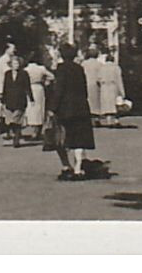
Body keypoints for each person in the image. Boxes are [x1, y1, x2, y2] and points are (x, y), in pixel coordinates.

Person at [52, 43, 95, 180]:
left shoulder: (61, 69)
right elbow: (84, 89)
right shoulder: (79, 68)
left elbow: (58, 90)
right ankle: (78, 168)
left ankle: (66, 166)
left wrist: (53, 108)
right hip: (81, 107)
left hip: (65, 109)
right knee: (79, 139)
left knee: (61, 138)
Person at [0, 53, 30, 146]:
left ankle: (16, 140)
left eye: (17, 63)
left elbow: (27, 87)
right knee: (10, 120)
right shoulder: (7, 74)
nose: (16, 65)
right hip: (9, 99)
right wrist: (3, 100)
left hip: (20, 99)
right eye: (14, 63)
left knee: (16, 120)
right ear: (11, 64)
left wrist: (31, 99)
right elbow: (5, 87)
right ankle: (14, 135)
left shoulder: (24, 74)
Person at [22, 53, 53, 142]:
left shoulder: (26, 69)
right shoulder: (41, 68)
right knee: (39, 109)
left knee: (30, 109)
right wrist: (45, 81)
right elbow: (52, 76)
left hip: (29, 88)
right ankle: (37, 130)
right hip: (39, 88)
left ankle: (32, 129)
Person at [96, 51, 127, 126]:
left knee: (106, 104)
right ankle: (116, 120)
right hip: (113, 87)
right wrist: (122, 92)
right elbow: (119, 80)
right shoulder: (116, 68)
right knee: (114, 104)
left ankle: (108, 120)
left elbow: (98, 79)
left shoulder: (101, 67)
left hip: (104, 87)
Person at [82, 46, 106, 122]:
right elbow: (102, 74)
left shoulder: (84, 64)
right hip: (96, 84)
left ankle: (89, 117)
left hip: (86, 83)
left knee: (88, 100)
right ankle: (96, 117)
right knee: (96, 102)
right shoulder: (99, 64)